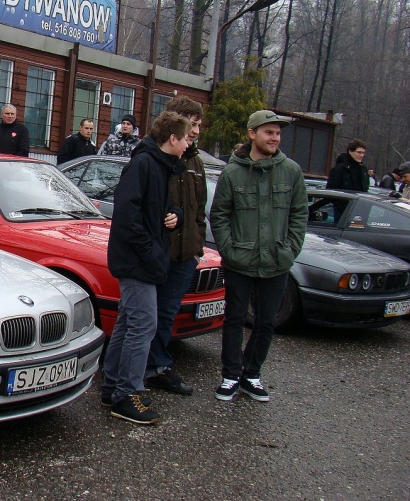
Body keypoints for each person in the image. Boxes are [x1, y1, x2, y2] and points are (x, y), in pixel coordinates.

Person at [210, 110, 307, 403]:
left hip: (276, 262)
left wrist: (289, 249)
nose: (275, 138)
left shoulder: (291, 171)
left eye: (278, 133)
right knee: (234, 319)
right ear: (252, 134)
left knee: (266, 321)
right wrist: (229, 248)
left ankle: (252, 374)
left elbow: (299, 214)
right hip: (240, 260)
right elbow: (220, 215)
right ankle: (230, 376)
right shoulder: (233, 172)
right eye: (269, 132)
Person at [101, 111, 191, 425]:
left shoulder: (163, 166)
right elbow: (127, 217)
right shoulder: (142, 164)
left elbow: (158, 206)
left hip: (144, 259)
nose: (189, 144)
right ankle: (127, 394)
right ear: (173, 139)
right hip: (137, 262)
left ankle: (112, 385)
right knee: (144, 326)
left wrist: (174, 214)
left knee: (128, 323)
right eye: (187, 138)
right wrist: (151, 252)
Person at [144, 96, 207, 396]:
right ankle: (145, 367)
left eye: (198, 125)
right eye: (191, 124)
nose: (195, 131)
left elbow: (200, 209)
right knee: (148, 313)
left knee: (167, 312)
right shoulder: (155, 156)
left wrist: (197, 249)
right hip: (160, 251)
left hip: (185, 254)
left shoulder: (195, 161)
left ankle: (157, 365)